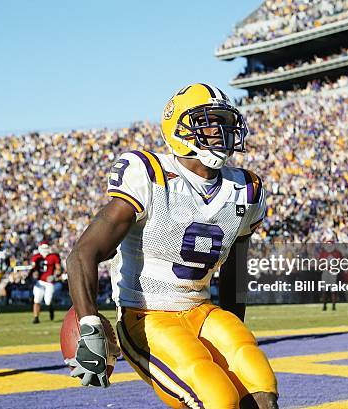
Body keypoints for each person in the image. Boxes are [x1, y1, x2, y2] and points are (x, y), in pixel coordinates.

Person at [66, 83, 279, 408]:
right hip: (147, 315)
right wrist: (89, 323)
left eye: (225, 122)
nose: (221, 130)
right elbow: (83, 253)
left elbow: (236, 271)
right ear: (180, 128)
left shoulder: (245, 189)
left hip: (204, 310)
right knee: (216, 397)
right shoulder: (149, 174)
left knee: (258, 380)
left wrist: (232, 334)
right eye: (210, 121)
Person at [31, 240, 62, 323]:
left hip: (49, 282)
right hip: (39, 281)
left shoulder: (54, 256)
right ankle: (36, 318)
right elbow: (33, 268)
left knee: (48, 301)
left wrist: (54, 276)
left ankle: (50, 308)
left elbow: (58, 269)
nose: (45, 250)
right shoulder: (36, 257)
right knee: (37, 299)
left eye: (46, 248)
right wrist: (33, 273)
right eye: (43, 248)